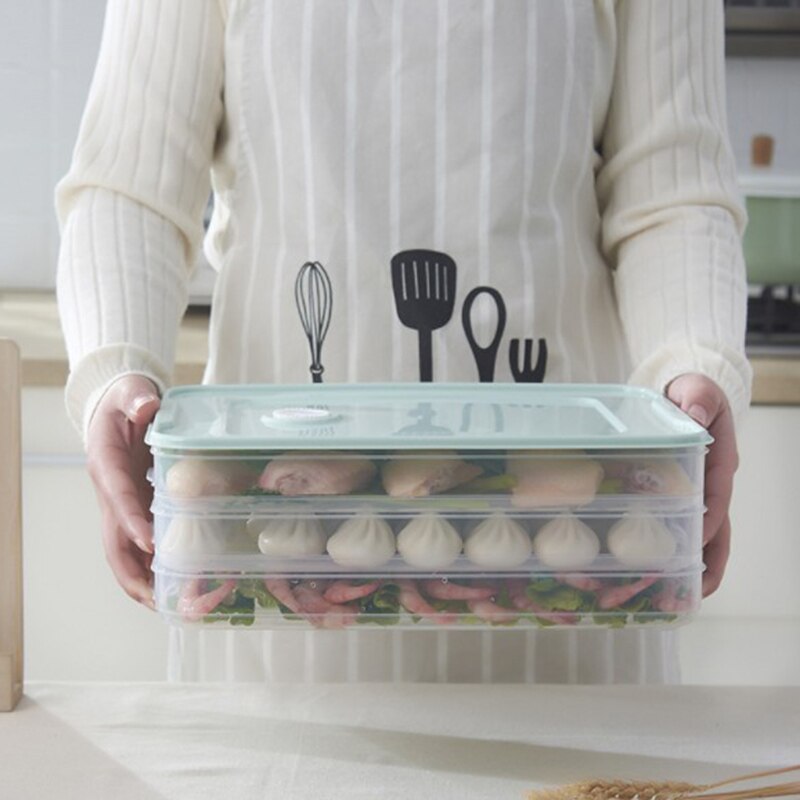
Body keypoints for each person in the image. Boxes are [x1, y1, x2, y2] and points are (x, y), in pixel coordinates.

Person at [56, 0, 750, 683]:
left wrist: (694, 358)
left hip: (567, 578)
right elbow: (130, 182)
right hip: (276, 583)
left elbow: (673, 191)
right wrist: (115, 368)